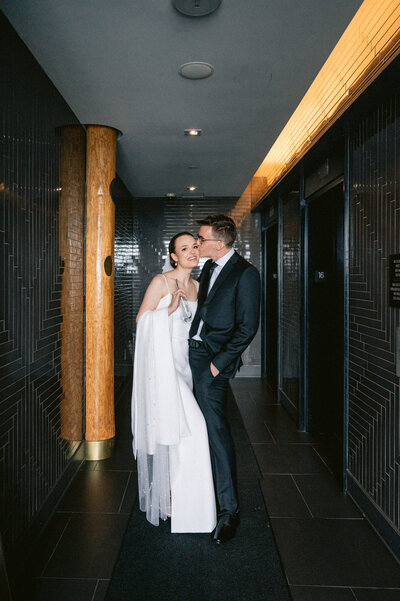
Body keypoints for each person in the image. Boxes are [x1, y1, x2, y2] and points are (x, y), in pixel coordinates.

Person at [131, 232, 216, 533]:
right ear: (174, 257)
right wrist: (165, 312)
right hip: (163, 368)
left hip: (187, 368)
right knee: (195, 429)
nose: (192, 251)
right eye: (184, 248)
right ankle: (190, 507)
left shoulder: (198, 286)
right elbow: (142, 321)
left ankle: (175, 499)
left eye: (195, 246)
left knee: (180, 433)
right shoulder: (161, 282)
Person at [188, 214, 260, 544]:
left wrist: (217, 366)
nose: (197, 243)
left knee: (216, 431)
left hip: (212, 363)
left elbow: (247, 328)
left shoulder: (246, 274)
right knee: (195, 425)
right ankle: (198, 494)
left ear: (219, 243)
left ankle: (229, 511)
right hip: (194, 353)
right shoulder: (208, 267)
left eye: (201, 239)